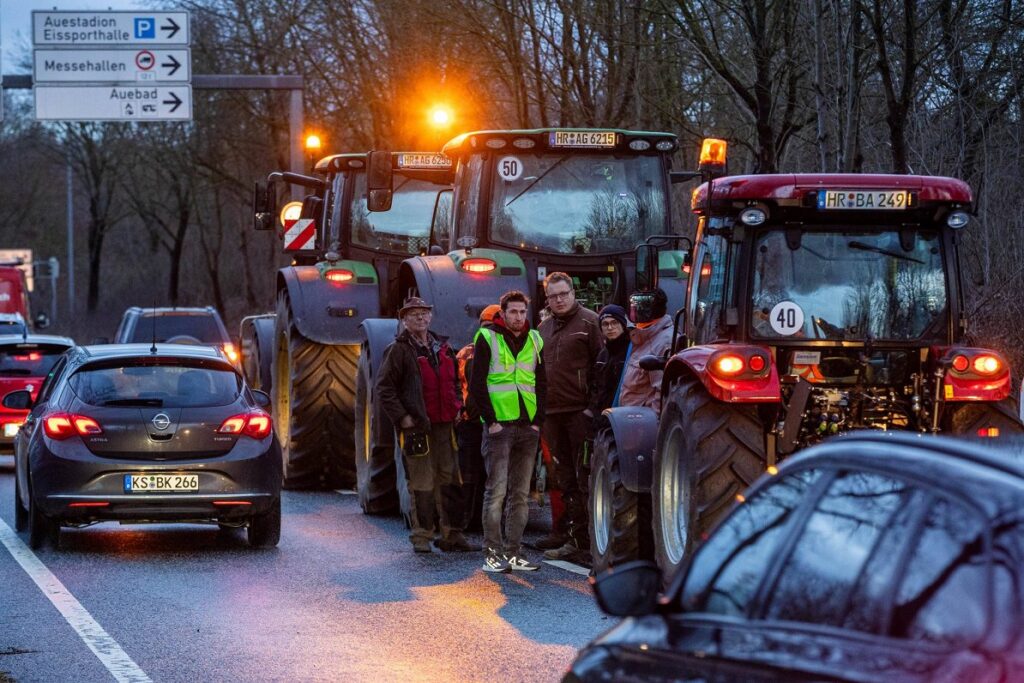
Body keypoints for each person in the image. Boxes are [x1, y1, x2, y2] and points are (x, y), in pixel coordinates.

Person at [376, 296, 467, 553]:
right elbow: (384, 389)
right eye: (413, 314)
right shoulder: (398, 350)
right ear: (404, 320)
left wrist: (458, 406)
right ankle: (422, 537)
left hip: (445, 425)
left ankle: (452, 534)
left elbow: (456, 383)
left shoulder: (443, 348)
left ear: (430, 317)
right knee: (422, 481)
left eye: (424, 313)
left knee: (450, 479)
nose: (420, 318)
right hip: (417, 427)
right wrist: (402, 417)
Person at [469, 290, 547, 573]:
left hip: (527, 426)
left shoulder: (536, 339)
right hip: (499, 426)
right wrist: (491, 421)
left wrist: (538, 420)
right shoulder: (487, 337)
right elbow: (477, 383)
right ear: (502, 314)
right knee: (496, 492)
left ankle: (514, 553)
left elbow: (541, 382)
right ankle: (492, 554)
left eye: (522, 312)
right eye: (513, 312)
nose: (518, 317)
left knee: (520, 494)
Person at [538, 272, 602, 565]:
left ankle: (590, 542)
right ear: (547, 299)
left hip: (579, 413)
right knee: (563, 477)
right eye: (553, 296)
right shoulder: (542, 329)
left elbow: (602, 368)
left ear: (573, 293)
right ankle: (571, 537)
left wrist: (591, 408)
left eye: (564, 294)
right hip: (552, 414)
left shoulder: (591, 322)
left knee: (584, 475)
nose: (559, 300)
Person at [444, 304, 502, 542]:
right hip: (480, 421)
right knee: (477, 474)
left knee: (477, 474)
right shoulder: (476, 353)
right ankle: (468, 522)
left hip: (482, 421)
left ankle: (469, 522)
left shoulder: (466, 352)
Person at [619, 289, 674, 413]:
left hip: (642, 422)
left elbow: (662, 392)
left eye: (635, 308)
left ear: (646, 311)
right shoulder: (643, 335)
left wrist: (651, 426)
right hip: (631, 416)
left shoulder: (665, 342)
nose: (632, 312)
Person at [588, 304, 632, 415]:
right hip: (602, 415)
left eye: (614, 322)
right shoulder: (603, 354)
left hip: (624, 413)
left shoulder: (632, 351)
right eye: (605, 324)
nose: (610, 328)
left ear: (623, 324)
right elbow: (596, 385)